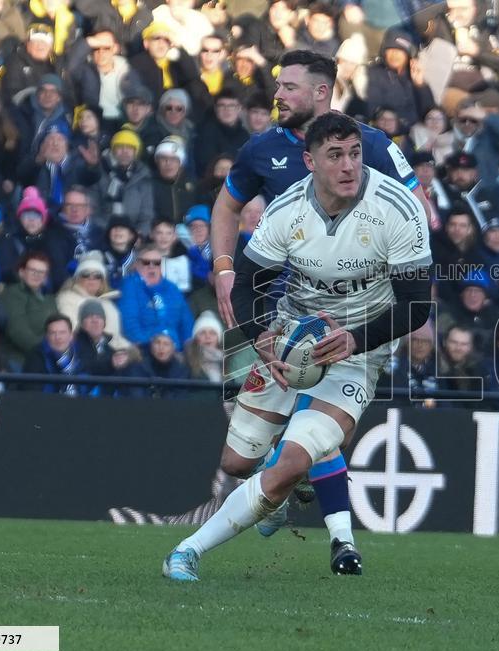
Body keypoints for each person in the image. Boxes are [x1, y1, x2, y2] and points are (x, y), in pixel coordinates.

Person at [163, 111, 431, 581]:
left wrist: (354, 340)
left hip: (361, 348)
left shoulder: (397, 208)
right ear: (309, 161)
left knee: (289, 462)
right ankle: (280, 492)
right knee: (237, 461)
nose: (349, 166)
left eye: (355, 154)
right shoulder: (286, 211)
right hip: (290, 337)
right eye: (335, 156)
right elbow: (246, 286)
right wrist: (263, 338)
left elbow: (415, 306)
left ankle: (186, 552)